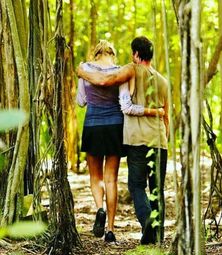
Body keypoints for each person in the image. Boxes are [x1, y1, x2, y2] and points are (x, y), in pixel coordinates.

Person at [77, 36, 169, 245]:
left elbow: (88, 97)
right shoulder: (155, 79)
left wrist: (82, 73)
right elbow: (163, 115)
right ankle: (119, 230)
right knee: (123, 182)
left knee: (115, 182)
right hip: (138, 135)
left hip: (112, 131)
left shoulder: (125, 70)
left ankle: (110, 211)